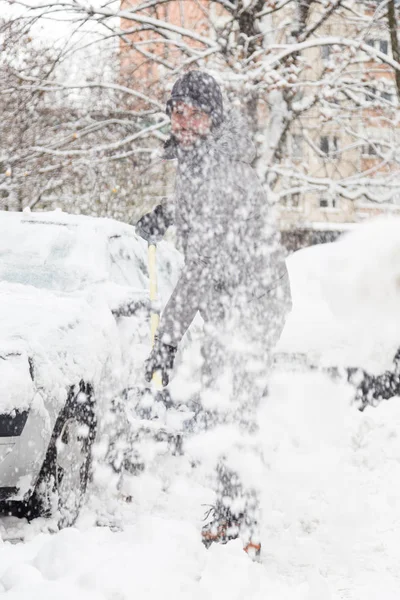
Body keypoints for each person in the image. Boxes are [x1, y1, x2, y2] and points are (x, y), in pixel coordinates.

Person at [135, 70, 291, 557]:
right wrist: (168, 212)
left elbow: (202, 265)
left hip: (254, 302)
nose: (182, 122)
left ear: (213, 119)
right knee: (219, 405)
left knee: (232, 407)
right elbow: (197, 211)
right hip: (231, 301)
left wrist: (167, 339)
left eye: (194, 113)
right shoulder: (199, 162)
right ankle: (232, 509)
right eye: (176, 111)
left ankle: (242, 518)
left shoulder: (222, 172)